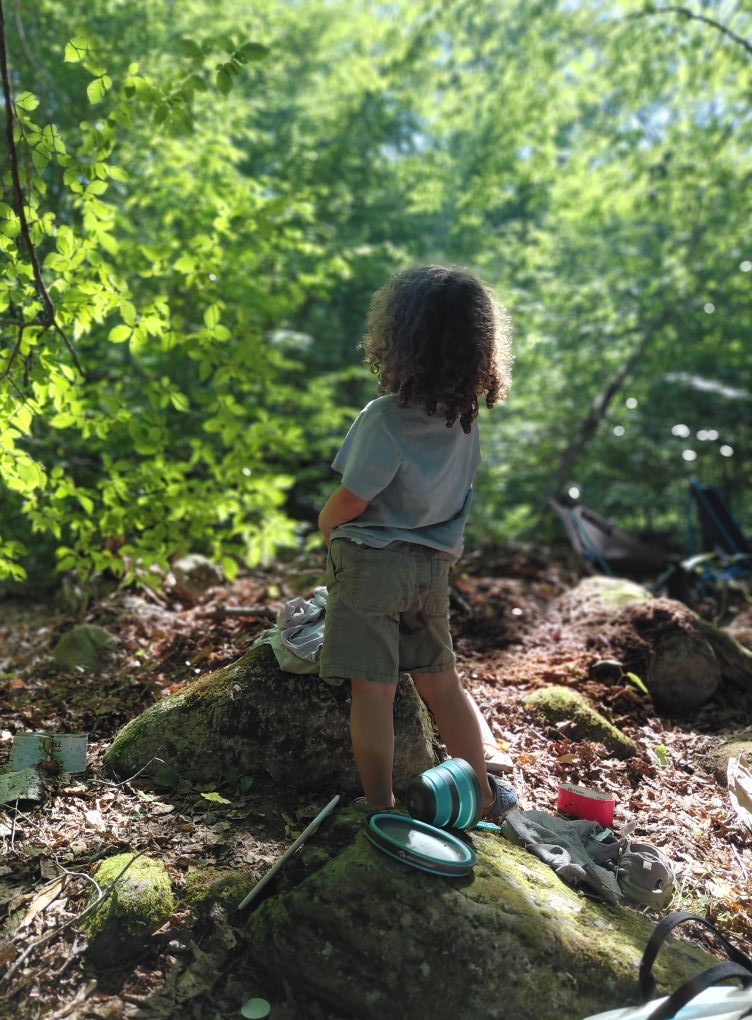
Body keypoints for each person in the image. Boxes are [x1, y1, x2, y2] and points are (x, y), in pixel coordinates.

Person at [318, 264, 515, 817]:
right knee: (442, 684)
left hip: (371, 564)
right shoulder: (463, 423)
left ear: (398, 338)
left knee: (373, 690)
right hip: (431, 567)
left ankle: (380, 806)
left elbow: (355, 497)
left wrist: (326, 524)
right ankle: (479, 796)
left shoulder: (384, 419)